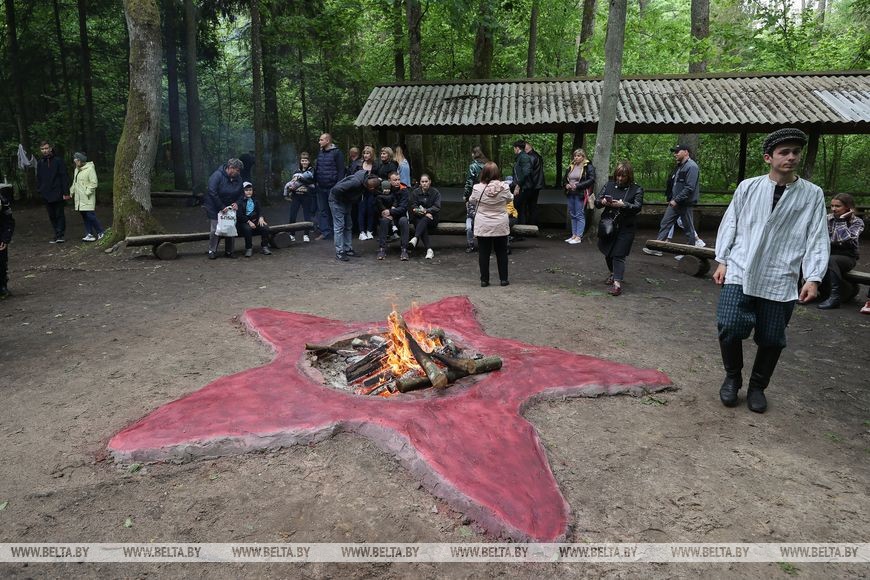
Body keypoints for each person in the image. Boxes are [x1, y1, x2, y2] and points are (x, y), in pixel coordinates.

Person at [713, 128, 829, 414]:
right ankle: (732, 377)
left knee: (772, 337)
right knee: (728, 326)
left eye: (795, 152)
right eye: (784, 152)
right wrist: (722, 259)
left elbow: (816, 236)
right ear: (769, 158)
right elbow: (731, 223)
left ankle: (757, 387)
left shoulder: (811, 195)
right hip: (741, 267)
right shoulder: (748, 187)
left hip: (781, 274)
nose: (791, 157)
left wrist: (813, 277)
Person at [595, 161, 644, 297]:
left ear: (629, 176)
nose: (620, 179)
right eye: (618, 176)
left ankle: (617, 284)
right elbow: (597, 202)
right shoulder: (609, 185)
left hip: (626, 227)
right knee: (608, 252)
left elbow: (637, 207)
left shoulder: (637, 189)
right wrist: (603, 201)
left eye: (623, 176)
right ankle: (613, 273)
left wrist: (624, 205)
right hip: (608, 225)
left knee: (619, 255)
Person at [643, 144, 701, 256]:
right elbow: (675, 184)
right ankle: (657, 247)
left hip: (685, 203)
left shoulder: (692, 167)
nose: (675, 154)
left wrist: (677, 200)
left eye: (678, 151)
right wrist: (671, 198)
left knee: (689, 228)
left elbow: (689, 187)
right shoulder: (680, 166)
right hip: (675, 202)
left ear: (686, 152)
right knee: (665, 223)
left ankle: (690, 253)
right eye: (675, 152)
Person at [817, 193, 864, 309]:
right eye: (832, 206)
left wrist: (841, 221)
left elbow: (844, 240)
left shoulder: (857, 222)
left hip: (847, 257)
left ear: (848, 207)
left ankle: (835, 297)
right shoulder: (828, 218)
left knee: (831, 260)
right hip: (827, 253)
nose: (833, 209)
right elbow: (821, 238)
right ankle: (801, 290)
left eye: (837, 206)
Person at [469, 162, 512, 287]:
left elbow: (471, 200)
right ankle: (503, 279)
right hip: (500, 223)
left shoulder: (477, 188)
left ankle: (484, 280)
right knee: (502, 252)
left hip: (483, 224)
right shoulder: (504, 187)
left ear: (484, 173)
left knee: (484, 253)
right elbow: (509, 199)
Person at [329, 170, 381, 262]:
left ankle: (348, 249)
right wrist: (347, 198)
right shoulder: (356, 182)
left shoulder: (365, 181)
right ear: (370, 187)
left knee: (348, 226)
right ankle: (340, 252)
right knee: (339, 227)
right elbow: (336, 190)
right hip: (337, 201)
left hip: (346, 202)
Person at [205, 158, 245, 259]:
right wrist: (221, 206)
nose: (239, 172)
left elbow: (241, 194)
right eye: (238, 170)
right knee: (215, 229)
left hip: (230, 209)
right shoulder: (217, 176)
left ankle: (229, 251)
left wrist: (237, 203)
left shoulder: (239, 179)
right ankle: (212, 250)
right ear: (231, 168)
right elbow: (212, 192)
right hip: (214, 207)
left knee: (230, 227)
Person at [313, 133, 345, 241]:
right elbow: (318, 168)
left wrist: (338, 186)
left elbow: (341, 171)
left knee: (335, 210)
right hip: (321, 186)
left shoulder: (337, 153)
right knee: (322, 210)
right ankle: (325, 232)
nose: (319, 142)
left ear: (327, 141)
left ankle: (337, 232)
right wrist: (315, 181)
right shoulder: (320, 152)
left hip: (333, 187)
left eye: (321, 140)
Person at [36, 141, 69, 243]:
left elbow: (64, 176)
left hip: (58, 192)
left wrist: (65, 192)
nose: (45, 151)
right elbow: (39, 178)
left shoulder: (58, 161)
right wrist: (40, 190)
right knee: (51, 215)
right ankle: (56, 233)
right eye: (42, 149)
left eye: (46, 148)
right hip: (46, 193)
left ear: (50, 148)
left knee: (59, 214)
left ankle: (60, 235)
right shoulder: (40, 163)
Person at [69, 152, 105, 242]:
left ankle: (101, 232)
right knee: (84, 216)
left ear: (81, 160)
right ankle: (89, 234)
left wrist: (87, 192)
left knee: (90, 215)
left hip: (87, 197)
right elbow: (75, 182)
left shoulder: (90, 169)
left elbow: (94, 183)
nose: (75, 161)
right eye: (74, 160)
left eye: (76, 160)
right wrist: (71, 192)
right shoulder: (76, 169)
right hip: (79, 198)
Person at [563, 148, 596, 244]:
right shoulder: (571, 165)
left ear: (583, 157)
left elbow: (591, 179)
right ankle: (573, 235)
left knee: (579, 214)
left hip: (581, 193)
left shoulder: (588, 166)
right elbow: (565, 178)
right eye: (575, 156)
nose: (576, 158)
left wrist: (577, 186)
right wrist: (566, 185)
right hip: (570, 193)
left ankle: (578, 237)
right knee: (573, 214)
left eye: (578, 156)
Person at [376, 172, 410, 261]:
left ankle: (404, 250)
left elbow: (403, 208)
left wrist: (390, 212)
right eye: (395, 180)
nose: (397, 182)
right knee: (383, 221)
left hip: (400, 216)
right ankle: (382, 249)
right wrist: (383, 212)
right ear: (389, 181)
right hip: (388, 217)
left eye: (399, 180)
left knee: (403, 221)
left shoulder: (404, 190)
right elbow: (379, 203)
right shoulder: (385, 189)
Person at [284, 153, 316, 243]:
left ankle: (306, 234)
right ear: (300, 161)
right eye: (302, 160)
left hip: (307, 196)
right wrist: (291, 188)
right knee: (293, 215)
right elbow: (292, 182)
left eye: (306, 160)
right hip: (296, 196)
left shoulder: (312, 170)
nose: (304, 162)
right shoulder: (296, 171)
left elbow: (311, 180)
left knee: (307, 215)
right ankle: (292, 234)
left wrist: (301, 179)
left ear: (309, 161)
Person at [409, 174, 441, 260]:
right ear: (420, 183)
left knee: (424, 220)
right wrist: (424, 213)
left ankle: (415, 238)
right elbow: (413, 207)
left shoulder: (435, 192)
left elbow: (437, 207)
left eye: (426, 181)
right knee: (421, 222)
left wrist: (426, 211)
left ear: (430, 182)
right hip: (418, 217)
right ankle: (429, 250)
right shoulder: (415, 192)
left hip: (432, 218)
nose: (424, 183)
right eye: (422, 182)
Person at [237, 182, 272, 257]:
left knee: (265, 227)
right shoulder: (240, 201)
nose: (249, 192)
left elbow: (260, 210)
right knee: (247, 229)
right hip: (244, 221)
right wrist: (248, 222)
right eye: (246, 190)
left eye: (250, 190)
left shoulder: (255, 200)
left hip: (255, 220)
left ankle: (264, 247)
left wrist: (261, 217)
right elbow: (239, 215)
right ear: (243, 191)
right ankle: (249, 248)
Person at [463, 146, 487, 253]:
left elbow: (469, 182)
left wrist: (466, 196)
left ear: (474, 154)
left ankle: (471, 244)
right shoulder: (488, 165)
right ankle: (484, 244)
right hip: (486, 194)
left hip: (475, 193)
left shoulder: (473, 166)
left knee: (472, 216)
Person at [510, 140, 533, 238]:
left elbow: (526, 173)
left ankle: (518, 233)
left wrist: (518, 186)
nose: (514, 150)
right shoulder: (521, 157)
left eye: (514, 148)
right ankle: (520, 234)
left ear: (517, 148)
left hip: (523, 188)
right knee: (521, 209)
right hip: (521, 186)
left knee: (517, 208)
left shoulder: (523, 157)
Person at [358, 146, 378, 240]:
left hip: (372, 191)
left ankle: (369, 230)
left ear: (372, 154)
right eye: (364, 153)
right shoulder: (359, 164)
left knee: (370, 210)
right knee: (362, 210)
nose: (365, 155)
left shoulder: (375, 165)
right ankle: (362, 231)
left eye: (368, 153)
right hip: (361, 191)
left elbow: (378, 177)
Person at [523, 141, 544, 227]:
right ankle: (533, 224)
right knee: (533, 205)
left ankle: (530, 224)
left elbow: (528, 172)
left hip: (531, 185)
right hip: (537, 184)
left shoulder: (531, 157)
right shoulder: (537, 155)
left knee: (529, 205)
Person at [0, 184, 14, 299]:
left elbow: (8, 220)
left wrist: (5, 238)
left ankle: (2, 286)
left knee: (2, 262)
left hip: (1, 238)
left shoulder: (2, 200)